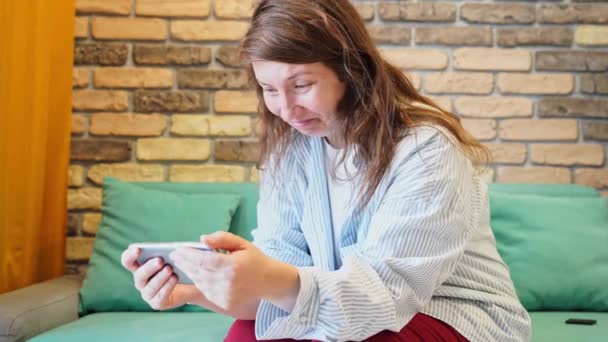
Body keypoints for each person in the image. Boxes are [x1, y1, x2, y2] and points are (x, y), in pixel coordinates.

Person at [121, 0, 532, 341]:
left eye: (301, 85)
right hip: (352, 310)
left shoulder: (425, 150)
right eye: (268, 89)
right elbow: (277, 294)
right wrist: (193, 291)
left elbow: (387, 297)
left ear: (350, 70)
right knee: (247, 333)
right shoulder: (291, 152)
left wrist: (272, 279)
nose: (285, 108)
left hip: (448, 315)